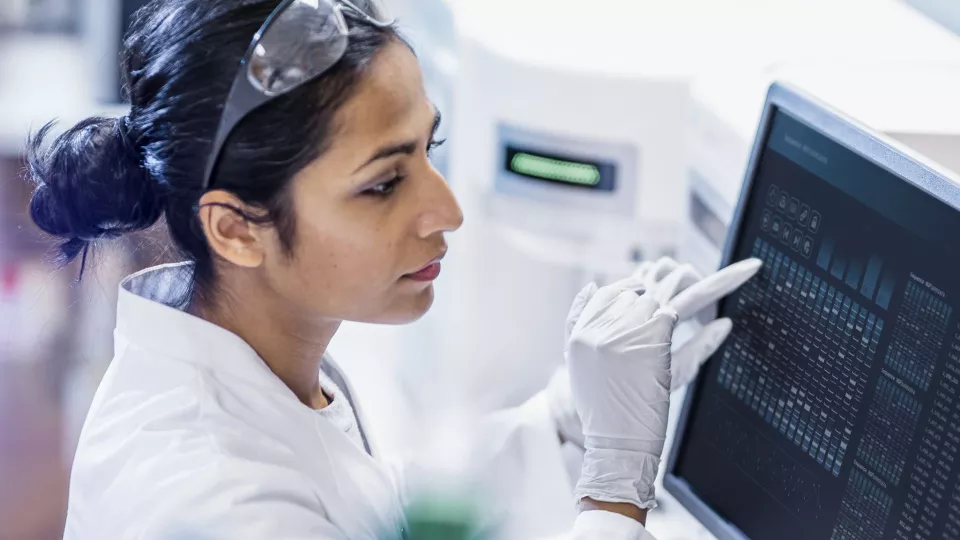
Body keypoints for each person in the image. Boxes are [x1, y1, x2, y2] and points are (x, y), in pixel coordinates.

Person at [25, 1, 761, 538]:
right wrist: (615, 490)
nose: (447, 211)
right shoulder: (214, 500)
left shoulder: (264, 361)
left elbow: (374, 513)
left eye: (427, 150)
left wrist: (568, 421)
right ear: (236, 228)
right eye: (382, 184)